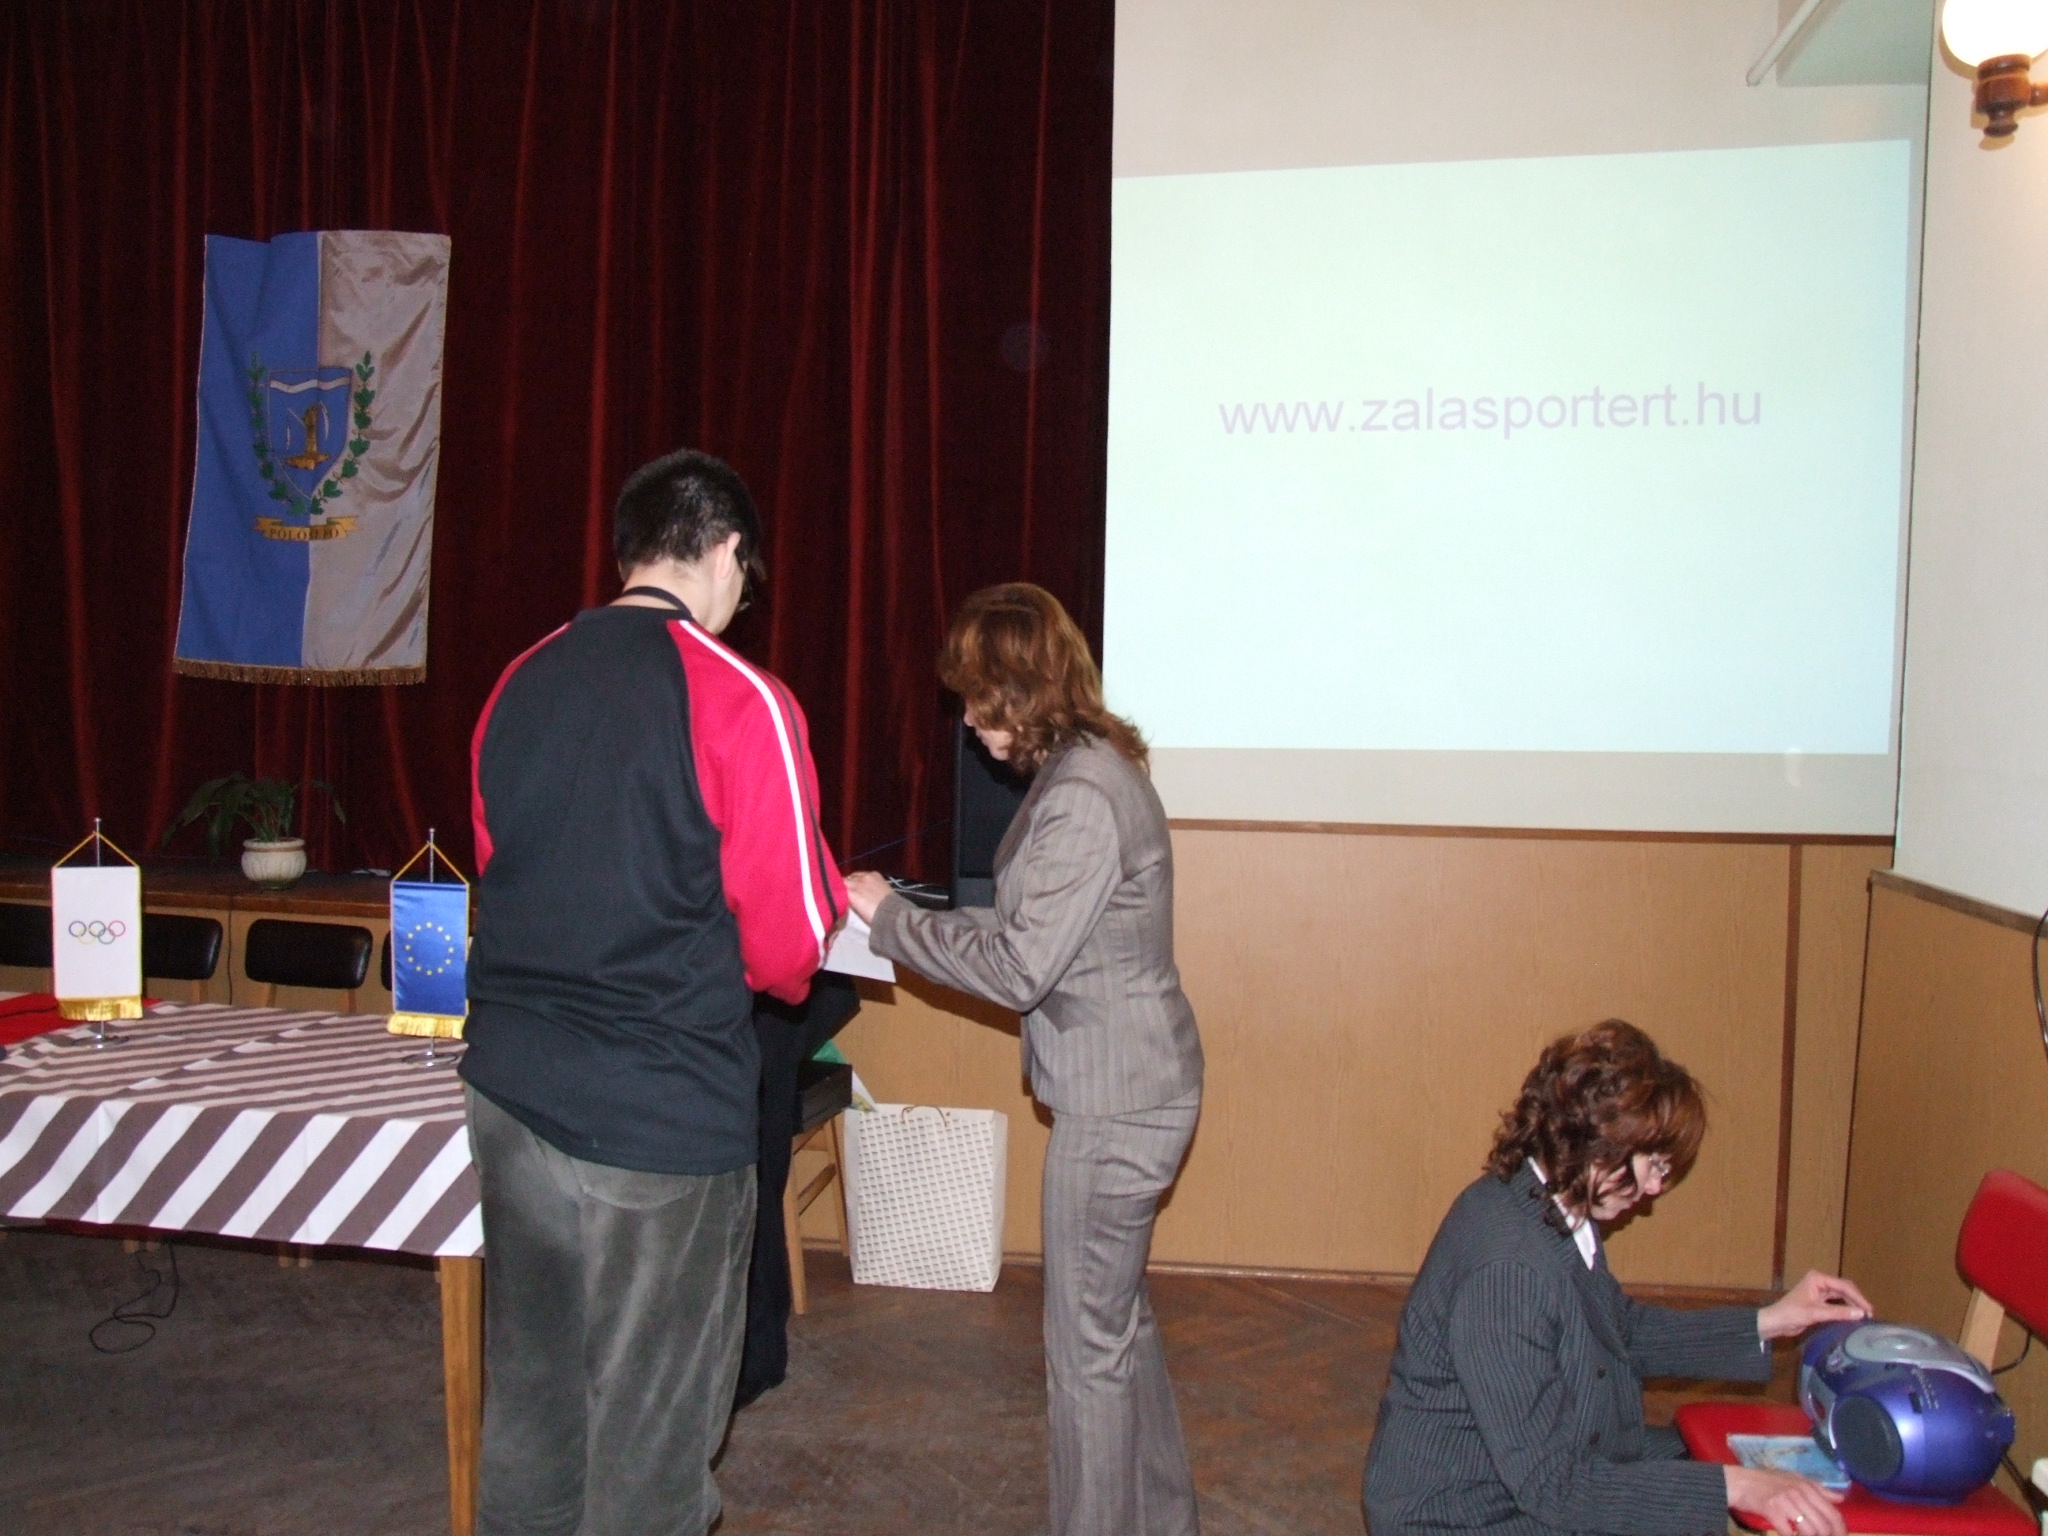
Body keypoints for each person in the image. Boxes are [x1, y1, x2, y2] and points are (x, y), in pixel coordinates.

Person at [461, 448, 846, 1536]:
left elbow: (499, 860)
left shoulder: (520, 678)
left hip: (511, 1095)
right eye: (745, 579)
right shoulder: (743, 698)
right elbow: (788, 949)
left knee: (532, 1409)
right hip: (658, 1116)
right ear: (726, 551)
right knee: (653, 1437)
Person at [845, 582, 1206, 1536]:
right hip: (1135, 1086)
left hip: (1119, 1102)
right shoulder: (1091, 768)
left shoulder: (1083, 794)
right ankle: (1162, 1521)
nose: (967, 720)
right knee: (1116, 1330)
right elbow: (1030, 934)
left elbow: (1017, 968)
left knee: (1085, 1354)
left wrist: (890, 923)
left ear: (1022, 689)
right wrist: (902, 919)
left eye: (978, 697)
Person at [1363, 1020, 1873, 1536]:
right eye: (1653, 1165)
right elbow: (1553, 1487)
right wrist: (1736, 1488)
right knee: (1734, 1496)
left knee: (1737, 1467)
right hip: (1466, 1516)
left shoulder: (1546, 1201)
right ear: (1599, 1145)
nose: (1655, 1188)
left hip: (1533, 1472)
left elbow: (1620, 1329)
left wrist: (1770, 1321)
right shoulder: (1508, 1271)